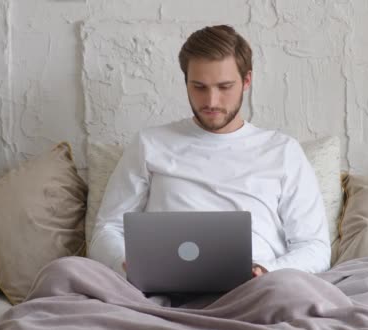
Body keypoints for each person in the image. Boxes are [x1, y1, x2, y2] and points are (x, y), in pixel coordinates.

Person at [88, 25, 330, 304]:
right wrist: (126, 263)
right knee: (64, 271)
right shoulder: (149, 144)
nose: (211, 101)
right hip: (158, 291)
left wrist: (266, 271)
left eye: (224, 87)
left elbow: (315, 246)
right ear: (186, 82)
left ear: (246, 81)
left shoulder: (282, 151)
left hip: (255, 293)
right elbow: (107, 229)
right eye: (199, 87)